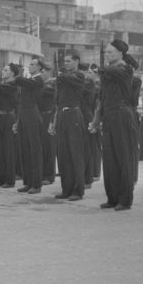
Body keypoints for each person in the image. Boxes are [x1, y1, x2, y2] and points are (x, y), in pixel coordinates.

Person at [89, 40, 141, 211]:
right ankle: (112, 197)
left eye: (111, 52)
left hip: (121, 114)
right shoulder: (108, 72)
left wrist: (100, 69)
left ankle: (125, 200)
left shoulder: (125, 69)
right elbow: (101, 99)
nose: (108, 54)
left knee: (123, 157)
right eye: (106, 52)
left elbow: (110, 72)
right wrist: (97, 119)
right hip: (109, 115)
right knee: (110, 159)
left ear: (121, 53)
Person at [50, 50, 86, 201]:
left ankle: (78, 190)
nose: (66, 63)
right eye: (64, 61)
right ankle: (67, 189)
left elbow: (68, 79)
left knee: (75, 154)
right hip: (63, 115)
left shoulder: (79, 76)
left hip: (74, 114)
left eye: (69, 61)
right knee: (63, 155)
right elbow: (58, 101)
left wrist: (59, 75)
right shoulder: (63, 77)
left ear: (77, 61)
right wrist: (54, 121)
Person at [15, 56, 44, 194]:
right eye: (30, 64)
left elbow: (20, 80)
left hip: (33, 114)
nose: (30, 66)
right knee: (25, 149)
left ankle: (36, 184)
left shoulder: (38, 80)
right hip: (24, 114)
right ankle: (28, 182)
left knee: (34, 150)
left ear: (39, 67)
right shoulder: (29, 80)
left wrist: (19, 73)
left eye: (33, 64)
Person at [0, 63, 20, 188]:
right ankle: (2, 178)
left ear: (12, 73)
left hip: (9, 117)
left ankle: (9, 180)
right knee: (0, 150)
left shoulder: (13, 85)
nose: (3, 72)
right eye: (3, 70)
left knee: (8, 150)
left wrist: (17, 122)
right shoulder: (2, 86)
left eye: (6, 70)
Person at [39, 63, 57, 185]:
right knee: (43, 147)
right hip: (41, 115)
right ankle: (43, 173)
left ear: (50, 72)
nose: (42, 74)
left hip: (49, 115)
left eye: (44, 71)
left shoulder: (52, 84)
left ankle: (49, 175)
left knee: (49, 147)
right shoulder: (45, 84)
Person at [85, 64, 102, 180]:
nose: (88, 75)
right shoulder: (90, 85)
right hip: (90, 115)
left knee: (95, 146)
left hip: (95, 116)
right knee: (90, 146)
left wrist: (97, 121)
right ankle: (92, 171)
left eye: (90, 73)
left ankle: (95, 172)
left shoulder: (99, 86)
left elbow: (98, 104)